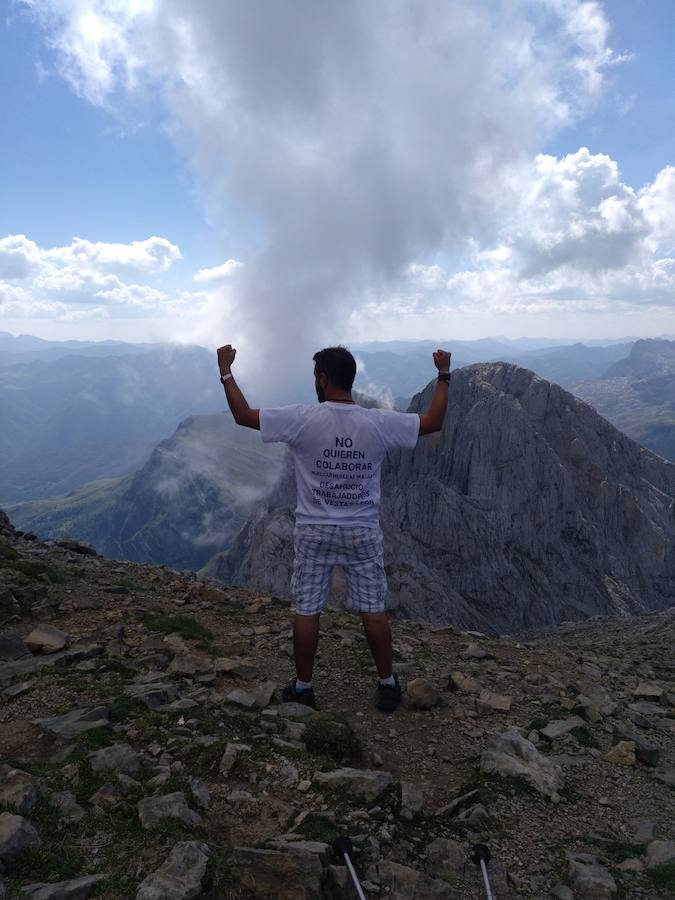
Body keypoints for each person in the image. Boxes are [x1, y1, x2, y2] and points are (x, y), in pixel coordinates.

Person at [217, 343, 451, 711]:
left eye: (316, 376)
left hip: (313, 531)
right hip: (361, 531)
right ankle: (387, 684)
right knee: (373, 608)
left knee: (308, 608)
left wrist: (226, 370)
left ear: (323, 379)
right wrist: (443, 375)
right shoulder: (377, 422)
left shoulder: (303, 418)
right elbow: (434, 421)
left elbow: (243, 415)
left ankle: (304, 687)